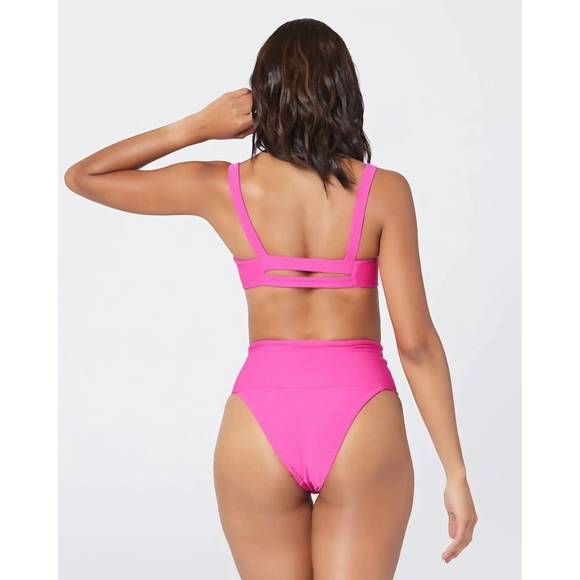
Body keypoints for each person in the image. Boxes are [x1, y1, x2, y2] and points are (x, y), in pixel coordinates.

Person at [65, 17, 477, 580]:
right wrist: (455, 471)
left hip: (258, 420)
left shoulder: (224, 187)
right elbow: (417, 344)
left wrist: (195, 127)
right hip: (362, 417)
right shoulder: (384, 191)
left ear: (265, 96)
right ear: (345, 92)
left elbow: (85, 176)